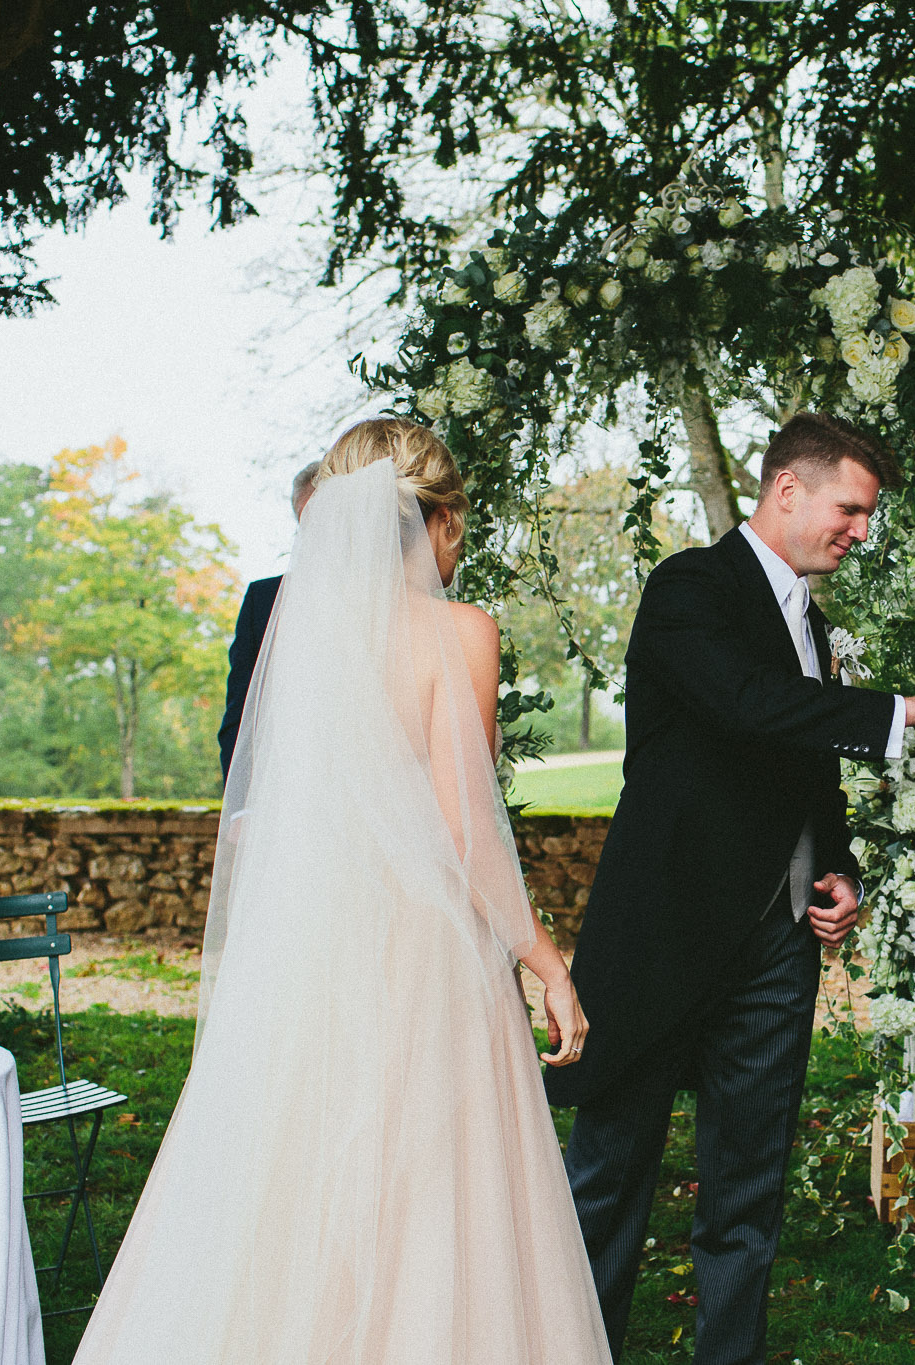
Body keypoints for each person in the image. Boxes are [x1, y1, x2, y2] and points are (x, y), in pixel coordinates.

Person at [72, 419, 610, 1363]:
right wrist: (546, 958)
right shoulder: (458, 630)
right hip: (422, 951)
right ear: (439, 520)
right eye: (458, 528)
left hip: (308, 950)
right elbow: (467, 830)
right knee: (431, 1191)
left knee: (292, 1180)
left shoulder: (303, 634)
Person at [555, 412, 915, 1364]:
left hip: (777, 953)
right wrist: (903, 710)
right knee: (607, 1183)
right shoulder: (690, 589)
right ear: (787, 489)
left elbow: (802, 760)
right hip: (664, 939)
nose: (861, 532)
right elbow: (746, 704)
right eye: (852, 509)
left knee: (747, 1196)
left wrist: (835, 863)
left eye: (868, 516)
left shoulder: (814, 625)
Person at [216, 459, 320, 778]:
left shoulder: (384, 597)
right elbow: (239, 719)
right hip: (281, 790)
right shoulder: (262, 601)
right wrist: (240, 813)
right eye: (310, 522)